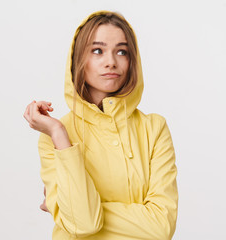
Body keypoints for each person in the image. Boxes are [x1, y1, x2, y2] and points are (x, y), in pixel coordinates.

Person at [24, 10, 178, 240]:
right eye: (98, 51)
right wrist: (58, 134)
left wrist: (76, 209)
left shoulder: (154, 128)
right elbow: (83, 224)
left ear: (131, 60)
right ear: (79, 60)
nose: (111, 62)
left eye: (122, 52)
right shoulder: (54, 135)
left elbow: (161, 226)